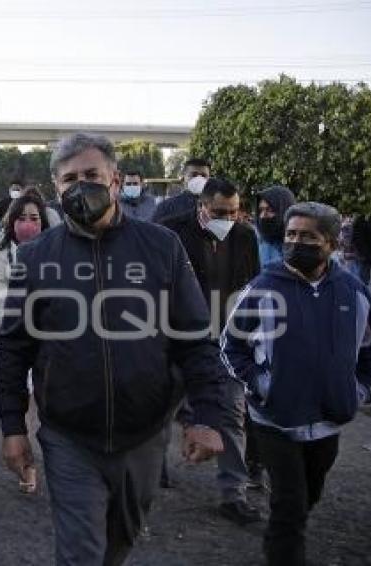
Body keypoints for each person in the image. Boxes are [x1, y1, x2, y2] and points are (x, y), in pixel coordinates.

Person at [0, 133, 225, 566]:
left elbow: (194, 336)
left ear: (115, 180)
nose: (81, 185)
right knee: (81, 553)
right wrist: (12, 426)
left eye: (92, 175)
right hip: (69, 436)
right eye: (69, 179)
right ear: (56, 189)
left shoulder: (161, 247)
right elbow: (13, 347)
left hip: (143, 434)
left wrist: (206, 416)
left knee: (117, 545)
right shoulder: (35, 257)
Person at [221, 202, 371, 566]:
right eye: (291, 235)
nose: (297, 243)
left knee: (308, 496)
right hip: (274, 420)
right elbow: (230, 345)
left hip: (328, 420)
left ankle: (282, 535)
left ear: (329, 242)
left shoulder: (352, 291)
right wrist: (259, 385)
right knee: (290, 503)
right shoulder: (263, 288)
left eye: (308, 236)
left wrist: (356, 391)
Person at [162, 178, 262, 525]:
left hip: (227, 343)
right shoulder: (171, 234)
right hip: (179, 340)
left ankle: (233, 493)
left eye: (234, 212)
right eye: (220, 212)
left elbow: (253, 288)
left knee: (232, 415)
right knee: (163, 408)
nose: (228, 218)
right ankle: (152, 468)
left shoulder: (246, 237)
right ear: (201, 206)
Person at [0, 193, 50, 363]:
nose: (28, 223)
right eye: (22, 218)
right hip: (0, 320)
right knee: (6, 377)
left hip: (38, 324)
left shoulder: (49, 244)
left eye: (34, 217)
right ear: (12, 219)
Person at [151, 158, 211, 223]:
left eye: (204, 176)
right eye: (194, 175)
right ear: (183, 178)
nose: (199, 179)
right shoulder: (166, 207)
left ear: (209, 179)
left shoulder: (218, 206)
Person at [255, 186, 296, 268]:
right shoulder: (254, 241)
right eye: (261, 210)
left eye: (269, 210)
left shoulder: (299, 244)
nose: (263, 216)